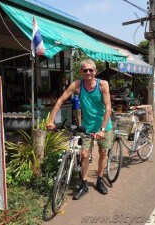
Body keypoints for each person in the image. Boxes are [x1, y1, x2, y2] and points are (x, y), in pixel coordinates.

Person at [47, 59, 112, 200]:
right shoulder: (77, 85)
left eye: (91, 70)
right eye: (85, 70)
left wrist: (102, 129)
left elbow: (108, 108)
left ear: (95, 71)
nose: (88, 72)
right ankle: (84, 184)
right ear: (81, 72)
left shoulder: (103, 85)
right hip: (87, 126)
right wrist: (51, 120)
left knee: (103, 153)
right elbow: (59, 101)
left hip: (104, 126)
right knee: (84, 154)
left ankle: (100, 180)